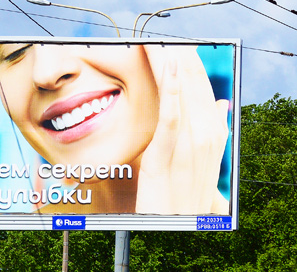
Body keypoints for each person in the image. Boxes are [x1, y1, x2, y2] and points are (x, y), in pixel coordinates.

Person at [0, 41, 231, 215]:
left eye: (93, 37)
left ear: (183, 47)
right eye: (15, 52)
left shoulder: (255, 242)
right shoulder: (22, 251)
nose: (46, 73)